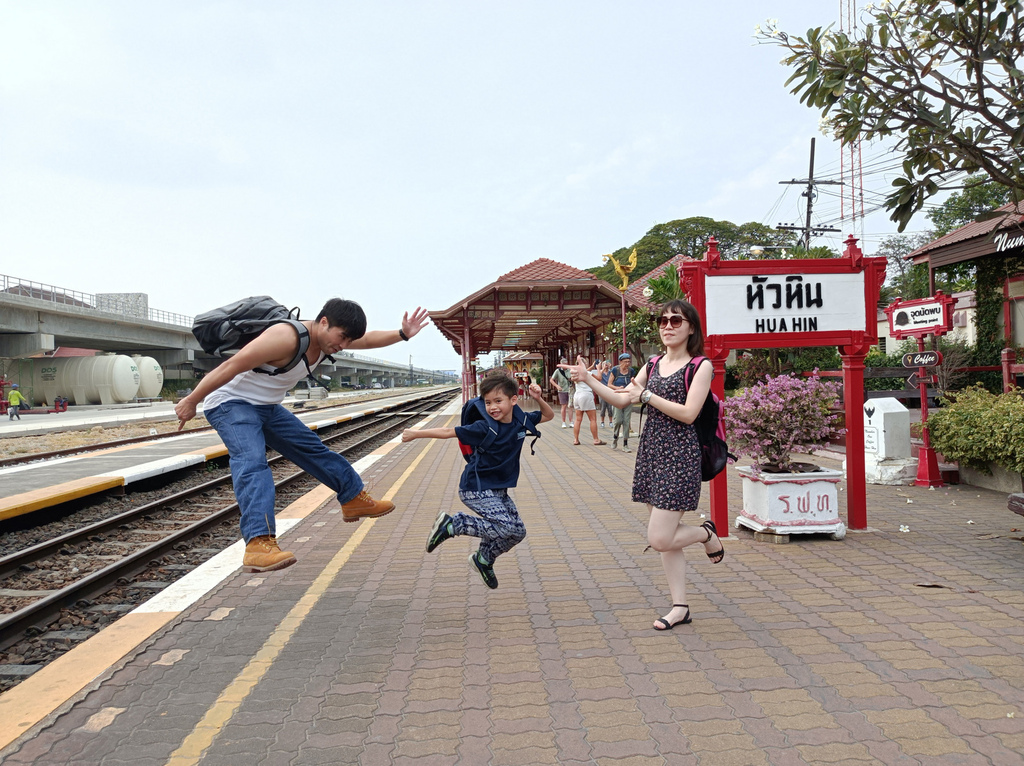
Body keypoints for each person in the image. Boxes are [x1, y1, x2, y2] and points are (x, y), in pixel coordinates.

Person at [174, 298, 429, 573]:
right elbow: (230, 366)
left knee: (313, 449)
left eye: (347, 341)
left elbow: (366, 341)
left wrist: (402, 334)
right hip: (231, 404)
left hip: (267, 406)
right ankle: (258, 543)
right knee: (251, 461)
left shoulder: (329, 340)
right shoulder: (286, 337)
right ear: (323, 322)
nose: (343, 346)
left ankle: (353, 498)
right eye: (342, 337)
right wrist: (192, 400)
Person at [560, 299, 724, 631]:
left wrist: (647, 397)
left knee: (661, 538)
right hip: (652, 453)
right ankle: (680, 606)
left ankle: (706, 532)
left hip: (681, 456)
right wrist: (588, 380)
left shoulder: (700, 366)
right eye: (663, 321)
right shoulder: (652, 364)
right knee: (665, 535)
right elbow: (622, 398)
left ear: (691, 327)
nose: (668, 326)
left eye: (676, 321)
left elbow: (689, 413)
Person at [401, 371, 553, 588]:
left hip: (498, 489)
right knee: (504, 526)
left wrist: (538, 399)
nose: (493, 407)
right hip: (475, 487)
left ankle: (483, 559)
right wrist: (416, 434)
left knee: (517, 532)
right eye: (488, 402)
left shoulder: (521, 420)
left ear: (514, 400)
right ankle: (453, 524)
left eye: (498, 401)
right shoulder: (484, 427)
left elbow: (548, 416)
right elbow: (447, 431)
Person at [571, 357, 606, 446]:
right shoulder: (587, 373)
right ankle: (596, 439)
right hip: (586, 395)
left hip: (577, 396)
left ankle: (576, 439)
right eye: (586, 362)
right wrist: (598, 368)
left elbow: (585, 371)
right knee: (592, 419)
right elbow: (599, 378)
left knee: (578, 419)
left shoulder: (576, 373)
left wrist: (591, 366)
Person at [609, 353, 636, 452]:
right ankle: (615, 437)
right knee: (618, 420)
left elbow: (634, 383)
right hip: (617, 398)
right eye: (625, 362)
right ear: (620, 362)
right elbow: (609, 384)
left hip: (628, 398)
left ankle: (625, 443)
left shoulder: (631, 371)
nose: (627, 363)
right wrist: (618, 388)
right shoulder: (615, 370)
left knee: (626, 421)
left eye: (629, 361)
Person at [549, 360, 574, 429]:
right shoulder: (558, 371)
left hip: (570, 390)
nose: (565, 365)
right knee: (564, 406)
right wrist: (557, 386)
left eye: (566, 364)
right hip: (562, 390)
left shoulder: (570, 370)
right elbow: (551, 380)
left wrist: (572, 379)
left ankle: (571, 421)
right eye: (564, 364)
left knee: (570, 406)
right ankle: (563, 422)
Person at [597, 361, 614, 428]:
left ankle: (610, 422)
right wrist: (603, 368)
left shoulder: (611, 372)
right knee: (603, 407)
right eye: (604, 364)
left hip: (609, 391)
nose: (606, 365)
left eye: (606, 364)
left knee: (610, 408)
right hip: (602, 392)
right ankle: (602, 422)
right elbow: (598, 377)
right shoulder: (600, 372)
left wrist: (610, 367)